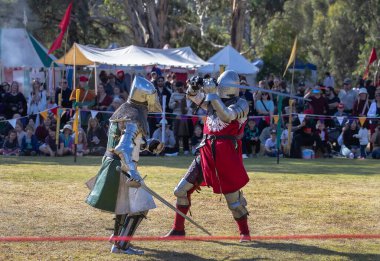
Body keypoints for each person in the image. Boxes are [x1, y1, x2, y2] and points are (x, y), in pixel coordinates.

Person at [164, 70, 252, 242]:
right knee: (180, 191)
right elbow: (192, 97)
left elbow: (227, 116)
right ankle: (178, 229)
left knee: (234, 203)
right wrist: (194, 85)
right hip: (205, 153)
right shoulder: (212, 101)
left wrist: (212, 94)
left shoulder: (241, 104)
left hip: (226, 156)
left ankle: (245, 233)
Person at [85, 76, 164, 255]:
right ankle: (122, 245)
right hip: (122, 166)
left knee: (123, 205)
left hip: (113, 164)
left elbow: (127, 141)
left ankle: (116, 238)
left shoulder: (124, 112)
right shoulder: (133, 118)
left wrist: (147, 144)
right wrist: (133, 171)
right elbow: (122, 147)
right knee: (141, 206)